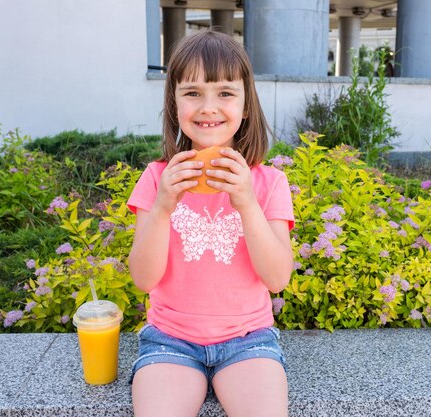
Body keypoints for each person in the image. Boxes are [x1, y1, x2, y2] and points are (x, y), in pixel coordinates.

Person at [127, 30, 294, 417]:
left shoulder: (269, 183)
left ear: (246, 105)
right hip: (170, 341)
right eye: (192, 93)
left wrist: (247, 202)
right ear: (174, 104)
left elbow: (277, 278)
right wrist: (165, 206)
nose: (208, 107)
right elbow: (143, 278)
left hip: (248, 340)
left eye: (224, 93)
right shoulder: (156, 179)